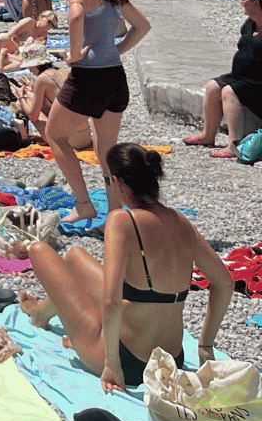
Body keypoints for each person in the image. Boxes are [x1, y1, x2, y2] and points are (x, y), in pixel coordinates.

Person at [21, 144, 233, 390]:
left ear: (118, 182)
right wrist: (205, 345)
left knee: (38, 251)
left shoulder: (121, 220)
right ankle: (43, 311)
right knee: (75, 256)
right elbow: (225, 283)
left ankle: (42, 316)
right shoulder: (180, 221)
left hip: (127, 361)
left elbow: (111, 301)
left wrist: (112, 365)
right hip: (172, 360)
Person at [44, 0, 151, 222]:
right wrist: (118, 49)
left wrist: (73, 52)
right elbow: (142, 25)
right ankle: (116, 214)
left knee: (54, 135)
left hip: (89, 76)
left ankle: (84, 204)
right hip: (115, 74)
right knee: (106, 146)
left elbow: (76, 14)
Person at [184, 0, 262, 158]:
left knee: (229, 90)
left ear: (257, 3)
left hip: (258, 83)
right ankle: (207, 135)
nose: (240, 2)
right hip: (241, 77)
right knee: (212, 86)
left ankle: (233, 145)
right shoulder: (249, 23)